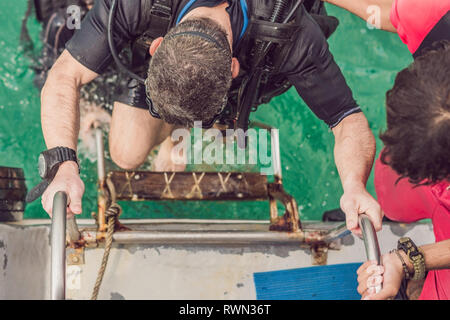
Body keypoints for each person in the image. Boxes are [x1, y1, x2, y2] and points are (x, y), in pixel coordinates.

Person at [37, 0, 383, 238]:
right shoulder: (136, 4)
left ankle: (190, 131)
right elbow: (64, 75)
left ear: (234, 70)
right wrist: (63, 165)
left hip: (234, 79)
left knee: (178, 158)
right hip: (179, 66)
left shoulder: (293, 35)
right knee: (126, 154)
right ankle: (172, 125)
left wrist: (354, 186)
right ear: (155, 47)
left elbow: (346, 119)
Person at [320, 0, 450, 299]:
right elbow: (384, 12)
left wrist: (408, 261)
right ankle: (395, 210)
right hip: (432, 146)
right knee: (393, 192)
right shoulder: (435, 16)